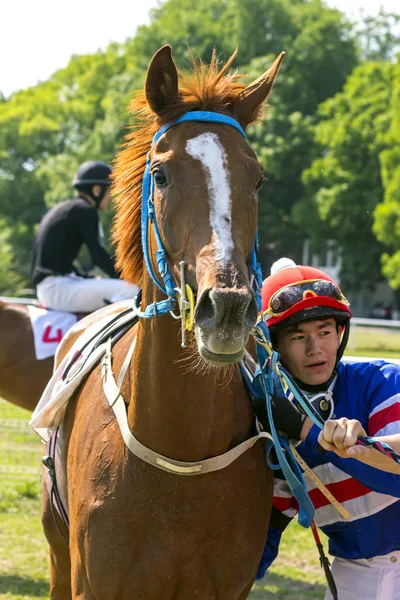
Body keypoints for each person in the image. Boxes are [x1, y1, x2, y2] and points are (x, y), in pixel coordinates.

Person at [255, 257, 400, 600]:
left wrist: (308, 431)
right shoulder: (277, 425)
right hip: (350, 575)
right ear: (275, 347)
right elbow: (271, 524)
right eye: (297, 336)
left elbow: (395, 472)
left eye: (324, 332)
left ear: (340, 334)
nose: (315, 349)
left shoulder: (381, 382)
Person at [31, 160, 138, 313]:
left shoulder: (66, 209)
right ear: (96, 190)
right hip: (57, 289)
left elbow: (57, 258)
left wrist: (86, 277)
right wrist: (130, 275)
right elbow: (98, 256)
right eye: (110, 191)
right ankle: (110, 333)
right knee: (133, 289)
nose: (111, 198)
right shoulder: (86, 211)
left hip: (53, 285)